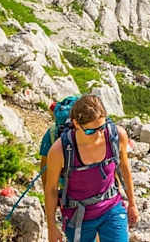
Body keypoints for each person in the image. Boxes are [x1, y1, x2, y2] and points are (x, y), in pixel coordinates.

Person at [44, 94, 138, 242]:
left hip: (112, 208)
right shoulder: (59, 151)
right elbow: (51, 189)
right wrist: (51, 227)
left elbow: (125, 170)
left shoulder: (116, 135)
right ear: (76, 124)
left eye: (102, 127)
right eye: (90, 131)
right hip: (78, 216)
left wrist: (132, 203)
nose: (99, 134)